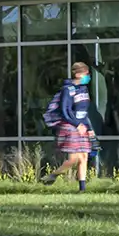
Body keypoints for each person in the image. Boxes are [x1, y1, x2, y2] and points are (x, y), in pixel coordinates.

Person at [40, 60, 97, 191]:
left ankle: (82, 189)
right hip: (70, 126)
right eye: (86, 74)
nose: (88, 77)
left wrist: (89, 128)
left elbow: (84, 112)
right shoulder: (68, 89)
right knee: (74, 159)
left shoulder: (84, 89)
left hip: (82, 126)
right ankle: (53, 176)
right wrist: (76, 125)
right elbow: (65, 111)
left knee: (84, 157)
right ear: (78, 74)